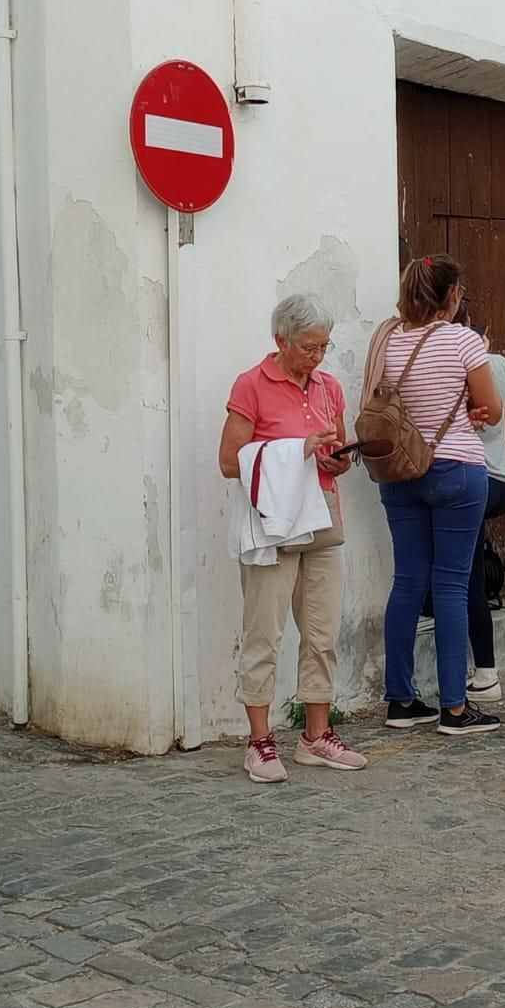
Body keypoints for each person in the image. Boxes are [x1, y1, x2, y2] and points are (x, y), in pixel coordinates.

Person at [219, 293, 365, 783]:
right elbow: (229, 461)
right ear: (280, 339)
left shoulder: (328, 387)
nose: (317, 357)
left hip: (321, 517)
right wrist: (295, 449)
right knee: (265, 633)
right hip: (273, 525)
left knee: (321, 635)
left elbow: (335, 454)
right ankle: (259, 741)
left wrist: (335, 458)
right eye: (308, 347)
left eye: (323, 347)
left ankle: (315, 737)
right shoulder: (251, 385)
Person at [373, 254, 504, 735]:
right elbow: (491, 407)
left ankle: (401, 700)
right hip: (455, 467)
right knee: (450, 585)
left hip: (399, 469)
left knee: (407, 582)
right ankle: (454, 707)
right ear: (452, 295)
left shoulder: (387, 341)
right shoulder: (464, 340)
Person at [458, 308, 505, 706]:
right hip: (504, 479)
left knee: (467, 580)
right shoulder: (500, 364)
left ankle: (486, 672)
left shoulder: (457, 363)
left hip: (475, 477)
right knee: (469, 570)